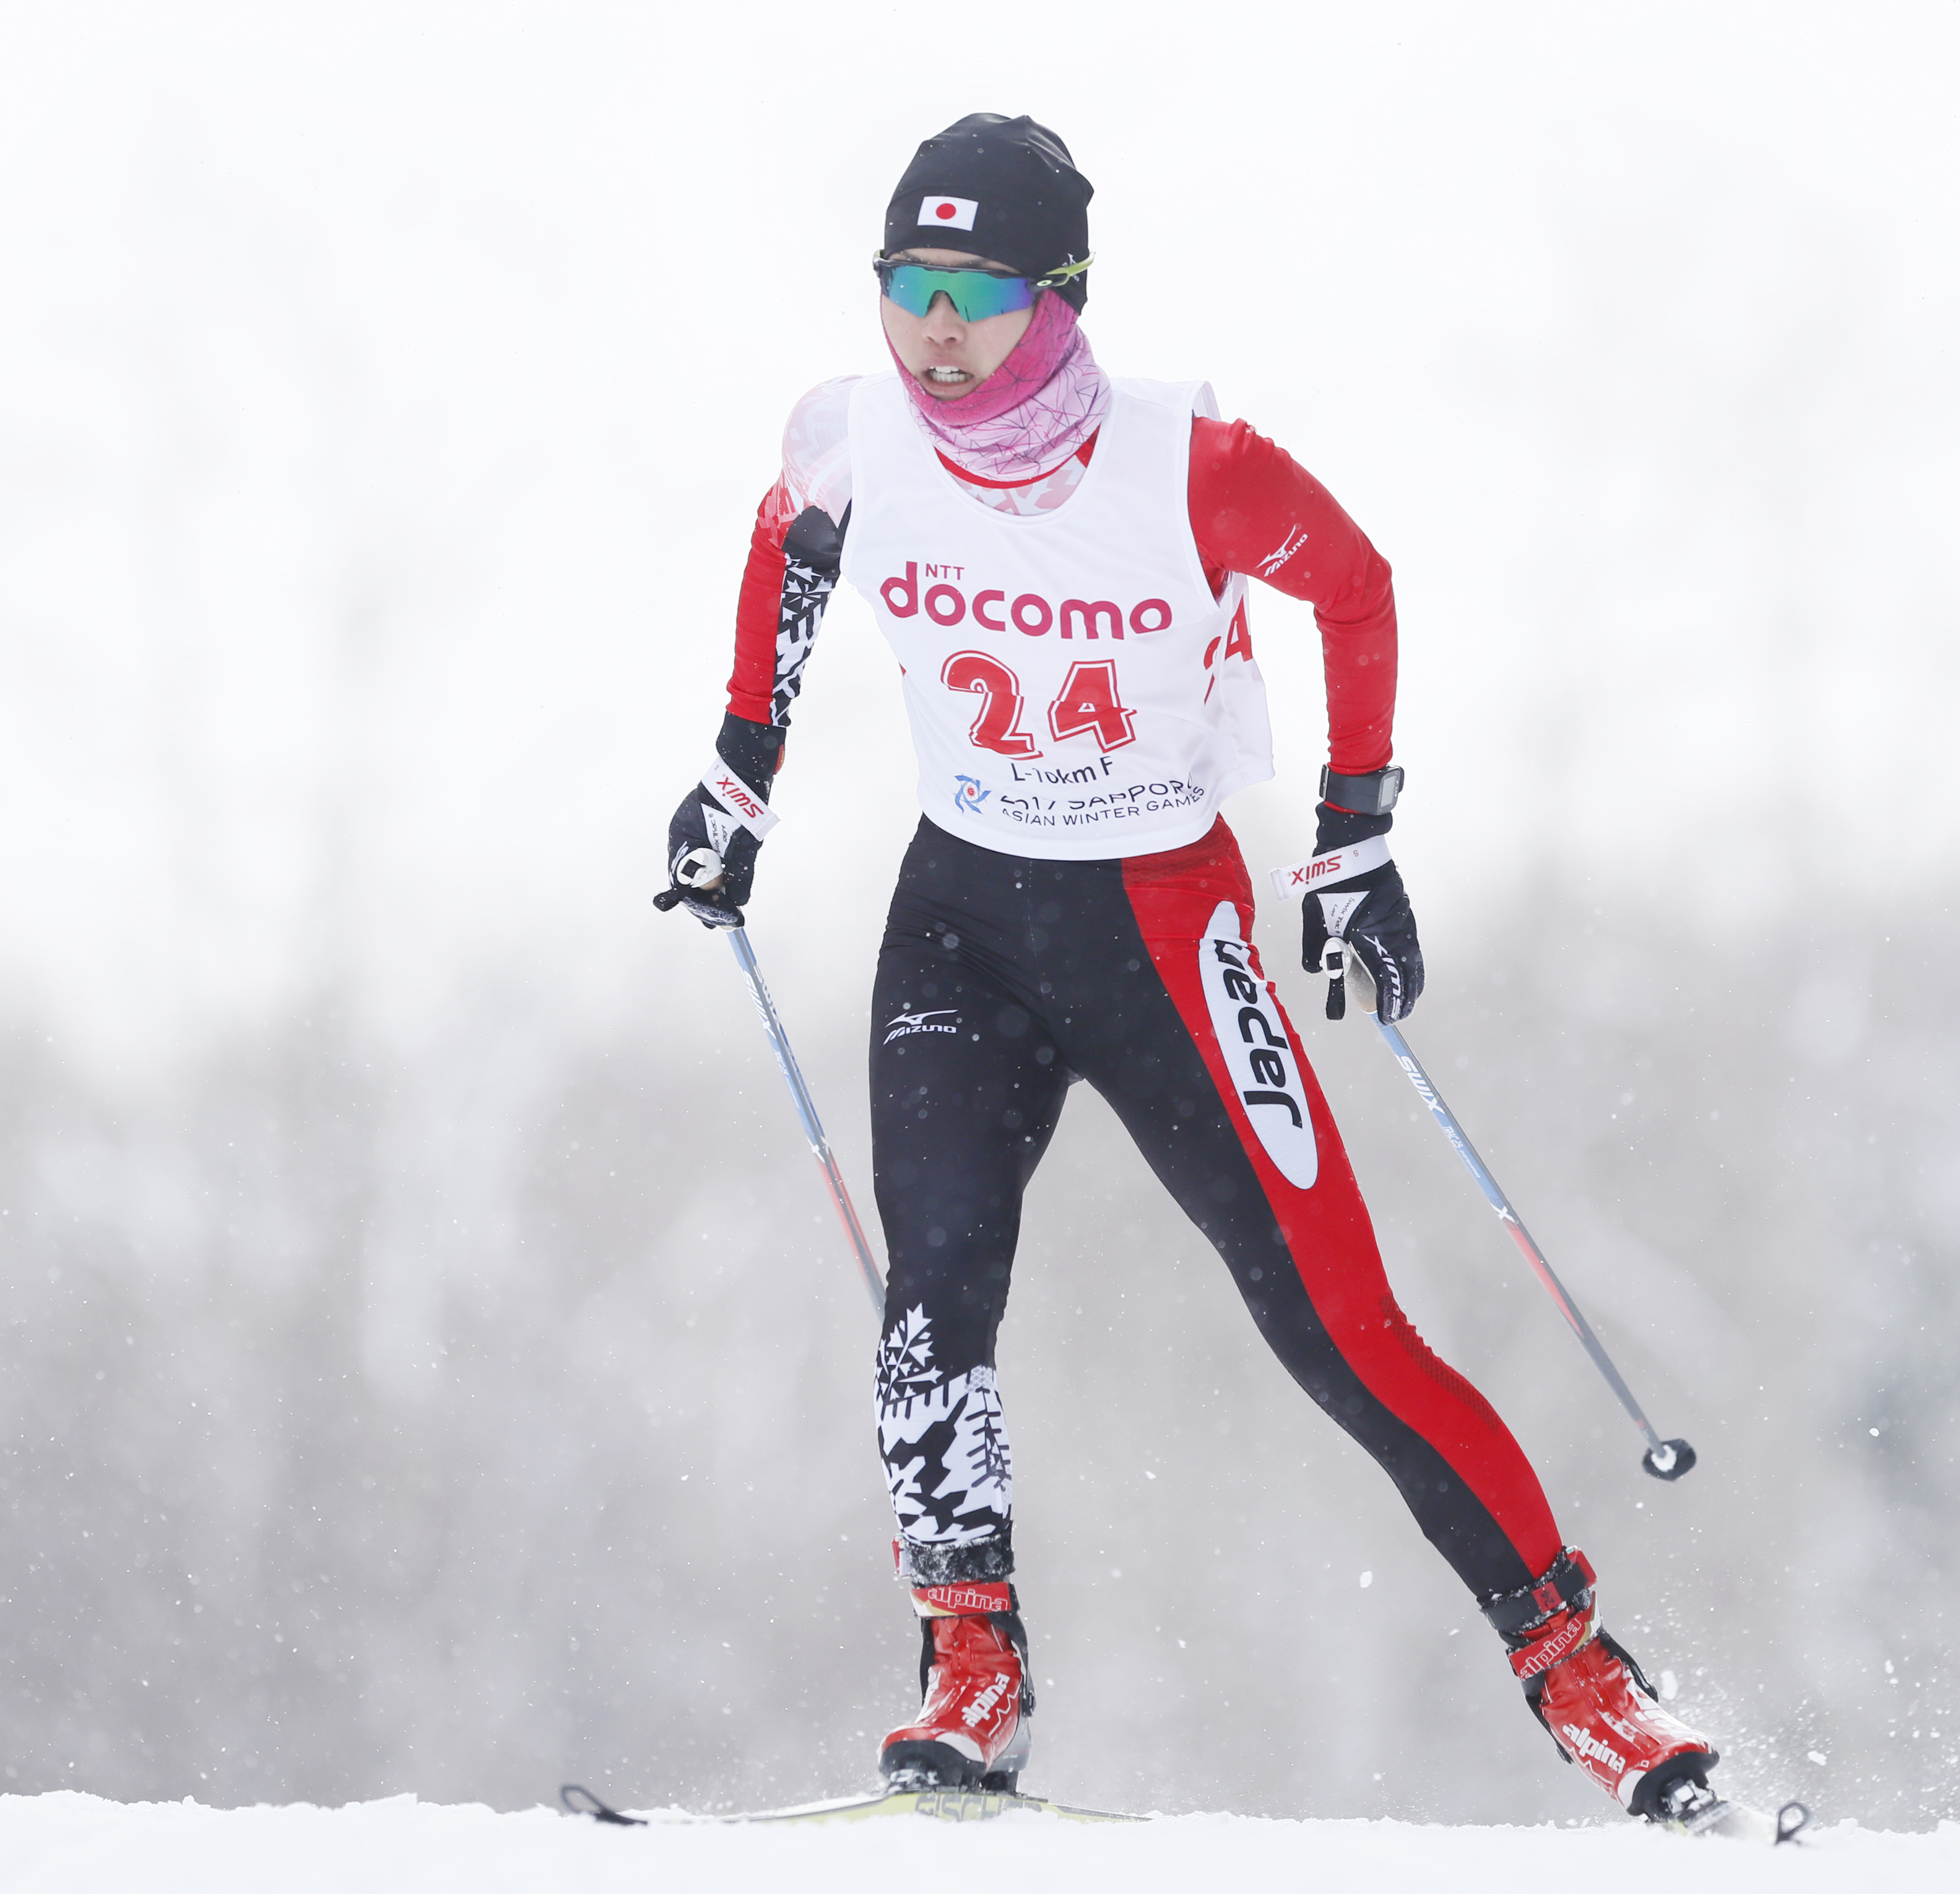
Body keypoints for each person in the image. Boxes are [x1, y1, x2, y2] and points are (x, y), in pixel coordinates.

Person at [658, 113, 1721, 1825]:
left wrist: (1356, 834)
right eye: (906, 288)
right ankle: (973, 1660)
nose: (933, 328)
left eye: (976, 294)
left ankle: (1585, 1673)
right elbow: (789, 543)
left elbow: (1357, 587)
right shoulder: (854, 436)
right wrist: (734, 776)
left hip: (1165, 925)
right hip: (963, 920)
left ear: (1061, 296)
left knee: (1337, 1328)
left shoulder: (1190, 467)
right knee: (935, 1297)